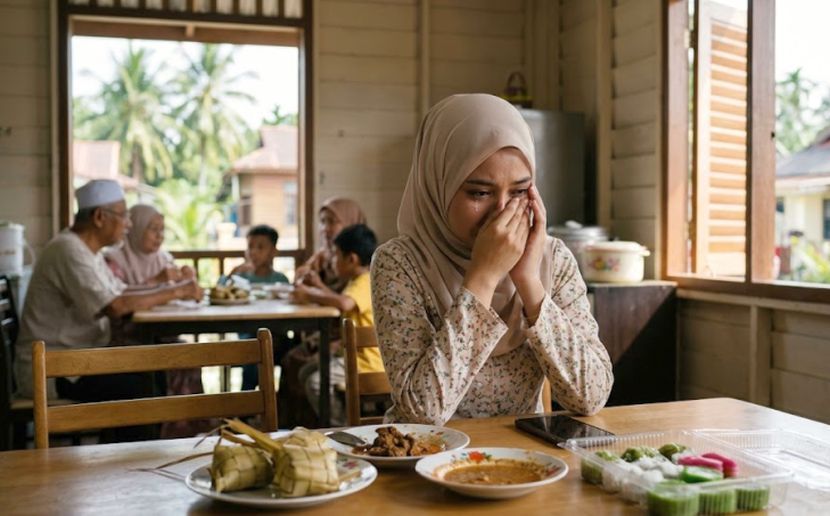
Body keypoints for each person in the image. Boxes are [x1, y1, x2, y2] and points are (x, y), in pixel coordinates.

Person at [370, 94, 614, 425]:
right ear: (437, 184)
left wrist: (529, 282)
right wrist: (482, 277)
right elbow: (422, 415)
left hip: (525, 465)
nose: (501, 213)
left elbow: (591, 397)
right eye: (480, 193)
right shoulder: (399, 263)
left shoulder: (552, 259)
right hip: (424, 462)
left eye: (518, 192)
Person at [14, 180, 202, 441]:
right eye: (124, 215)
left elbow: (123, 292)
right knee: (139, 387)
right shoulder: (68, 249)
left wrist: (172, 286)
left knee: (155, 371)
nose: (128, 224)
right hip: (54, 368)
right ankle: (128, 466)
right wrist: (178, 291)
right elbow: (116, 306)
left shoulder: (89, 252)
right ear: (100, 217)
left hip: (78, 360)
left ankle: (132, 459)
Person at [292, 224, 381, 425]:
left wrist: (309, 293)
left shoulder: (365, 281)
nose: (332, 261)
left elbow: (344, 303)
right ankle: (329, 421)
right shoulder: (357, 280)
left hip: (367, 361)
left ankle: (340, 426)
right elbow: (341, 299)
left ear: (352, 259)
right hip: (354, 356)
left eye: (336, 255)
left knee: (316, 382)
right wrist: (318, 286)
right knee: (306, 371)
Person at [228, 224, 290, 390]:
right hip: (248, 333)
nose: (253, 252)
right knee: (253, 354)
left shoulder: (280, 280)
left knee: (292, 353)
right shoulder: (240, 278)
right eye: (250, 247)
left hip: (276, 335)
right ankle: (248, 408)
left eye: (260, 247)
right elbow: (221, 290)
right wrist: (232, 273)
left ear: (273, 252)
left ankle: (281, 405)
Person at [105, 204, 194, 288]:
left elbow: (177, 293)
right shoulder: (114, 261)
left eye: (162, 229)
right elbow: (117, 300)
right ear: (136, 230)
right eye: (154, 229)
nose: (160, 236)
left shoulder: (164, 259)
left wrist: (185, 281)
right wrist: (156, 280)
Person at [294, 197, 366, 293]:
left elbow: (345, 303)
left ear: (351, 223)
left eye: (332, 221)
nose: (325, 228)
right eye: (322, 221)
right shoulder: (321, 257)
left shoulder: (365, 262)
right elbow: (299, 280)